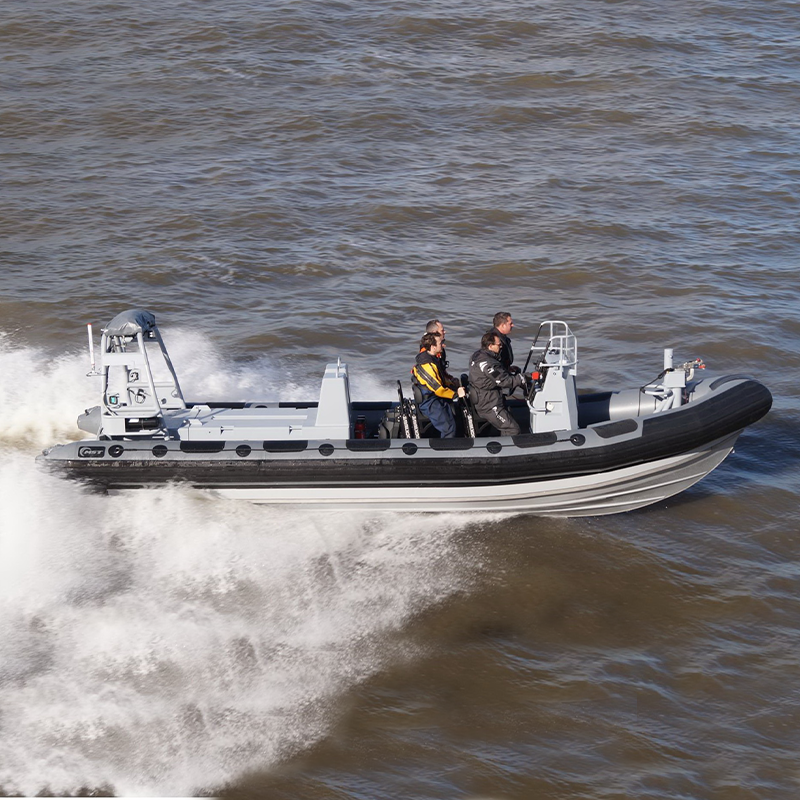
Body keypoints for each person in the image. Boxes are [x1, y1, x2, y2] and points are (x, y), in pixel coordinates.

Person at [468, 330, 526, 436]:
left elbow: (492, 375)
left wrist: (505, 370)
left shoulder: (478, 355)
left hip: (486, 398)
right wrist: (523, 378)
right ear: (490, 346)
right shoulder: (488, 364)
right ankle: (508, 446)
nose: (501, 347)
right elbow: (504, 381)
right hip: (489, 404)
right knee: (513, 429)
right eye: (499, 345)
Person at [412, 332, 466, 438]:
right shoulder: (426, 365)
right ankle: (447, 447)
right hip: (430, 402)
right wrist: (456, 394)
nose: (443, 345)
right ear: (433, 347)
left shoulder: (433, 360)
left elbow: (441, 379)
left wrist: (455, 385)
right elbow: (438, 389)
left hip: (436, 398)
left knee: (456, 417)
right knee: (449, 428)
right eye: (441, 343)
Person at [424, 318, 459, 390]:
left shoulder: (439, 349)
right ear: (434, 333)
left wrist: (451, 379)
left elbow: (442, 371)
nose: (445, 332)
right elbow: (434, 381)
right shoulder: (428, 352)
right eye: (442, 330)